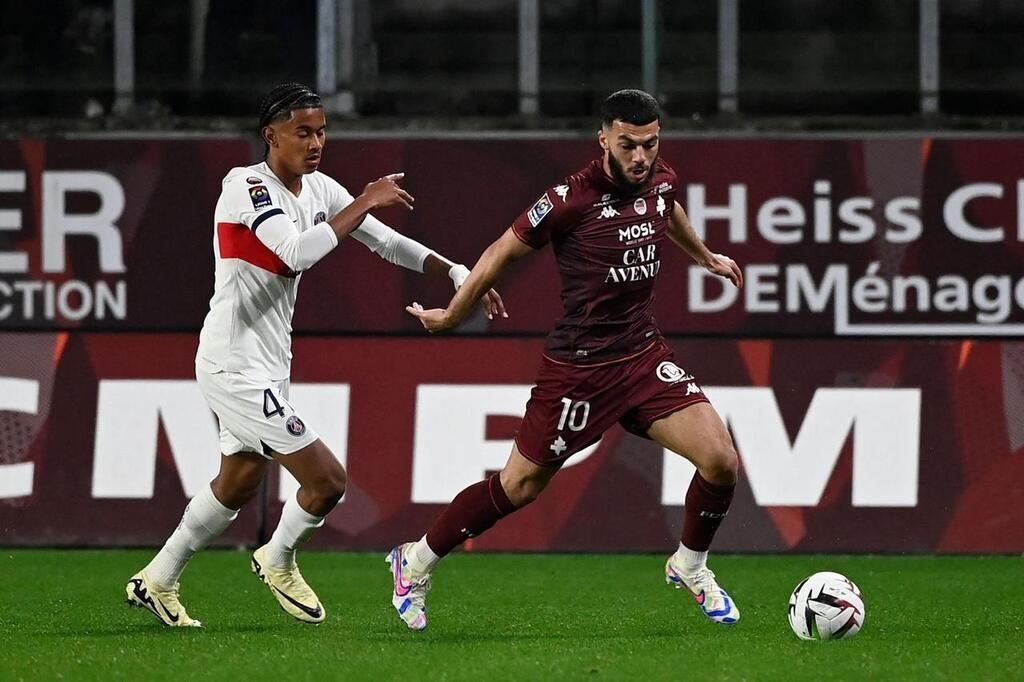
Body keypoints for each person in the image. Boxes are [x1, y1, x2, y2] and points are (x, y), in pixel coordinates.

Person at [125, 82, 504, 628]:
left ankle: (158, 579)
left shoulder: (319, 189)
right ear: (270, 135)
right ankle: (276, 558)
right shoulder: (245, 186)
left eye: (322, 130)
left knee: (238, 480)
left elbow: (383, 241)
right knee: (327, 480)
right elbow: (291, 257)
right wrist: (365, 200)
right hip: (232, 364)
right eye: (302, 131)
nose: (316, 141)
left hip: (266, 365)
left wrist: (455, 272)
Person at [393, 89, 743, 631]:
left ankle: (689, 565)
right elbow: (498, 254)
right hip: (580, 368)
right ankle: (414, 562)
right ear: (603, 138)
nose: (641, 157)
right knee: (520, 486)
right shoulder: (567, 200)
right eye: (629, 144)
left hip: (644, 357)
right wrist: (452, 315)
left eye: (651, 144)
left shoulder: (659, 177)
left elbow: (665, 208)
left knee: (721, 459)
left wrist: (705, 256)